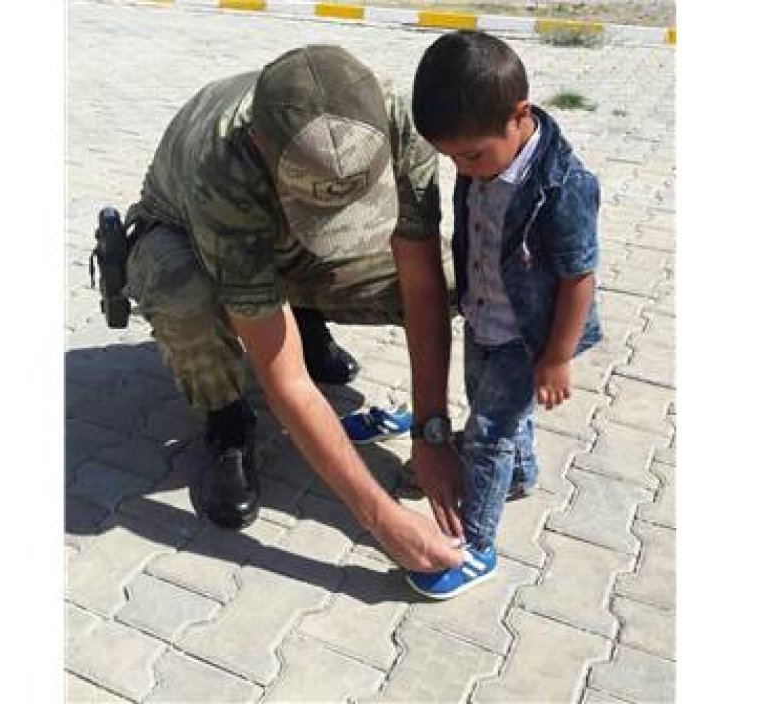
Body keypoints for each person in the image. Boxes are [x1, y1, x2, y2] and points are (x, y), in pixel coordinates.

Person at [120, 45, 465, 572]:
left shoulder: (395, 120)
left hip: (281, 243)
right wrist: (383, 521)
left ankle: (304, 316)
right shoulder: (223, 168)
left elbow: (423, 288)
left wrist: (431, 431)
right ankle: (227, 421)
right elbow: (285, 377)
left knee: (455, 280)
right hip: (185, 234)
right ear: (261, 145)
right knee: (180, 294)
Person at [405, 30, 603, 598]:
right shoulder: (482, 160)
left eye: (470, 156)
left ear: (520, 116)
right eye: (451, 159)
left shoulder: (562, 187)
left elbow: (578, 277)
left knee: (487, 434)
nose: (463, 170)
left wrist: (557, 357)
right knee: (488, 407)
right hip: (483, 317)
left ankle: (476, 544)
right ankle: (520, 474)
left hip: (528, 336)